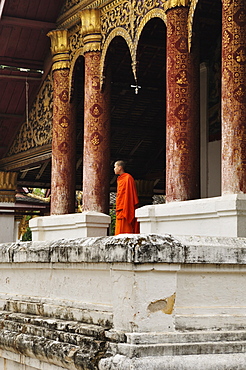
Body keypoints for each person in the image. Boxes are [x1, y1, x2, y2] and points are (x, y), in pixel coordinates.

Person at [114, 160, 140, 235]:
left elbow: (130, 193)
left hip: (126, 205)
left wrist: (127, 205)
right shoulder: (120, 179)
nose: (114, 169)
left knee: (126, 228)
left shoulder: (128, 178)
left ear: (120, 167)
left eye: (115, 167)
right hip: (120, 205)